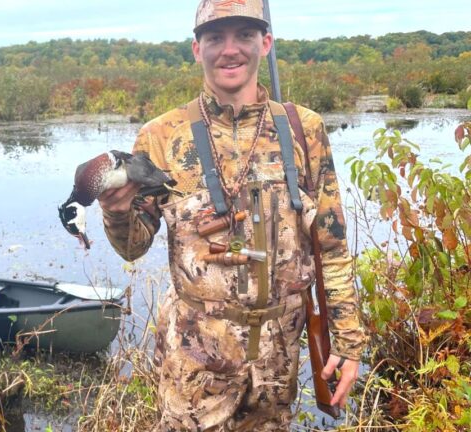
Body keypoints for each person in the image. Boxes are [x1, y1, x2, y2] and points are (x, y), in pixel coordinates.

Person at [98, 0, 367, 430]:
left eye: (244, 35)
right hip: (196, 359)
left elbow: (332, 247)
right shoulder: (162, 135)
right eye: (215, 38)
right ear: (196, 48)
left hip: (278, 360)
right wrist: (115, 211)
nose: (230, 50)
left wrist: (349, 342)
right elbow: (133, 246)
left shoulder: (304, 128)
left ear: (266, 43)